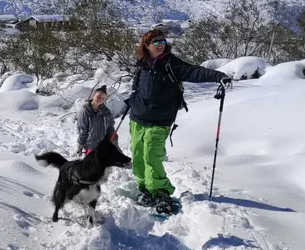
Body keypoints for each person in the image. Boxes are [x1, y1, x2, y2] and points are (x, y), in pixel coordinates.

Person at [127, 28, 230, 215]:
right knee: (138, 155)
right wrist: (132, 102)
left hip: (160, 120)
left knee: (152, 154)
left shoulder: (170, 63)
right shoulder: (143, 64)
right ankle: (145, 188)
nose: (160, 45)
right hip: (138, 117)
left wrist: (218, 77)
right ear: (146, 45)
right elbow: (137, 88)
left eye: (162, 42)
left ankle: (161, 192)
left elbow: (193, 71)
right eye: (156, 42)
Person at [76, 85, 116, 156]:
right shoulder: (85, 111)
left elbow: (111, 126)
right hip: (90, 145)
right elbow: (82, 129)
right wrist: (80, 144)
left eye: (103, 98)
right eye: (98, 97)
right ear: (93, 95)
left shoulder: (106, 112)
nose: (100, 99)